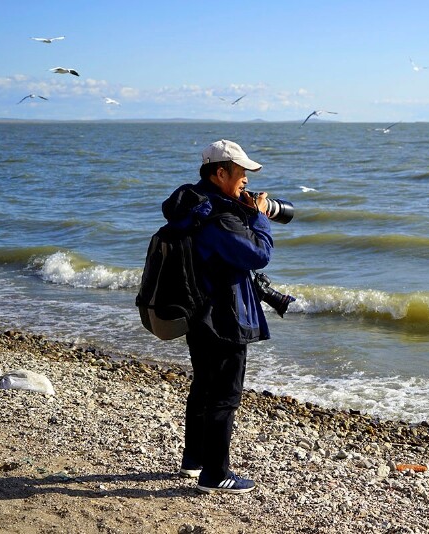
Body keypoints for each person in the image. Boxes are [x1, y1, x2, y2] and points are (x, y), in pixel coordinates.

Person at [160, 139, 275, 494]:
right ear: (220, 172)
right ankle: (217, 473)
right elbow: (259, 255)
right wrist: (258, 217)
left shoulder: (195, 206)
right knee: (224, 394)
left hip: (198, 311)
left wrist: (247, 212)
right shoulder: (219, 217)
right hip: (223, 315)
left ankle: (193, 461)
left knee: (204, 386)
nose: (245, 181)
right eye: (241, 173)